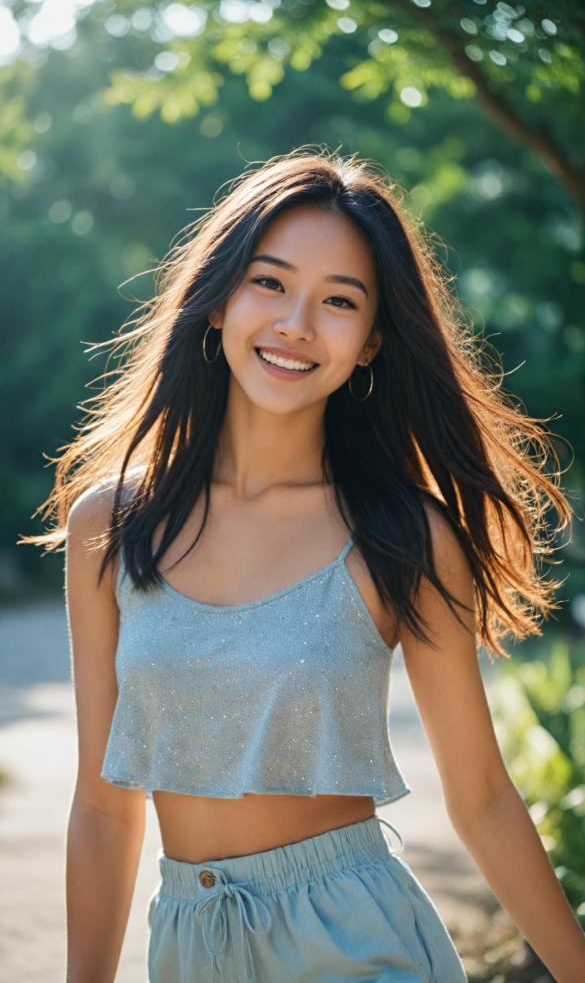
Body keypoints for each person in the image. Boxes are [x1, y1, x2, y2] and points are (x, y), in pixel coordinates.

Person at [26, 151, 585, 983]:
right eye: (270, 283)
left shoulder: (400, 534)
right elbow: (105, 806)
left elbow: (481, 798)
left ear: (369, 345)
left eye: (339, 302)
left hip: (356, 941)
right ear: (216, 302)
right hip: (189, 943)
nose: (296, 324)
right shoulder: (110, 525)